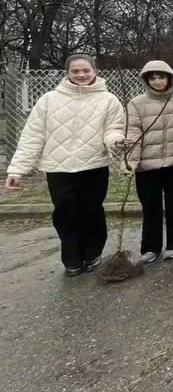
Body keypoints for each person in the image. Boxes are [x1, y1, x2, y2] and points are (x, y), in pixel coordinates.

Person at [5, 55, 125, 276]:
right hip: (59, 168)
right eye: (76, 71)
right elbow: (33, 135)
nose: (81, 75)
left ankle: (92, 253)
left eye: (85, 71)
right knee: (65, 213)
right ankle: (71, 258)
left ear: (94, 71)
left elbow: (113, 129)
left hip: (93, 166)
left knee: (92, 211)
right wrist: (17, 169)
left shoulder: (108, 100)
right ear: (67, 73)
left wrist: (116, 141)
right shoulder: (49, 100)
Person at [124, 60, 173, 264]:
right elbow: (133, 134)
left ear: (169, 78)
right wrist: (131, 163)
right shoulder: (136, 103)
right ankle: (150, 247)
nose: (157, 81)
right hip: (147, 167)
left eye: (161, 77)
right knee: (150, 206)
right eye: (153, 78)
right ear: (147, 80)